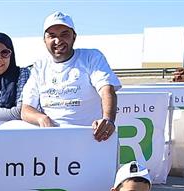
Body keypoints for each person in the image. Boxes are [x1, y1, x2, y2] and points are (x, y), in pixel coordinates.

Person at [21, 11, 120, 142]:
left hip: (92, 138)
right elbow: (26, 109)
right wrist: (41, 118)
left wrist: (108, 119)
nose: (58, 40)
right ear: (44, 40)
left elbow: (107, 90)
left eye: (64, 34)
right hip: (52, 140)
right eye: (52, 36)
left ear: (74, 36)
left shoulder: (91, 57)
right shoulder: (39, 67)